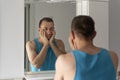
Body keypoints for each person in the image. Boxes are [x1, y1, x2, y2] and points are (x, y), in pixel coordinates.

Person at [54, 15, 118, 80]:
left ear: (72, 34)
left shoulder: (63, 61)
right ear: (94, 34)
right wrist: (75, 53)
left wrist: (75, 53)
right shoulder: (113, 57)